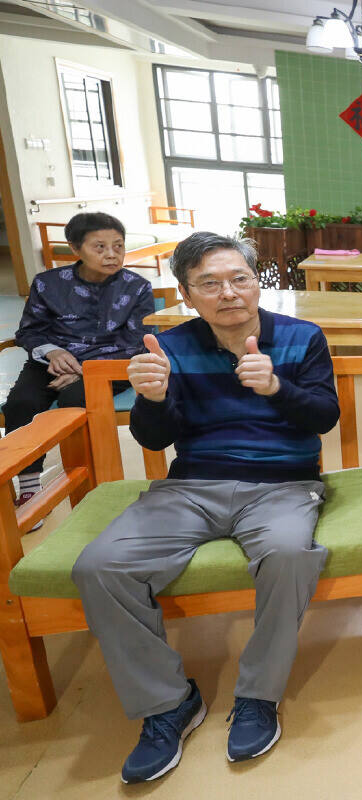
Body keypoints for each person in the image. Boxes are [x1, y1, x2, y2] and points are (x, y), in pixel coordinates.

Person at [71, 232, 339, 783]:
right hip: (192, 486)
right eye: (210, 284)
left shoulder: (302, 338)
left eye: (240, 278)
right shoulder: (169, 346)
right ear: (188, 295)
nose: (229, 293)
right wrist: (148, 399)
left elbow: (322, 417)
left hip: (284, 485)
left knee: (289, 553)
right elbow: (154, 438)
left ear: (256, 280)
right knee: (99, 566)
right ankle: (168, 702)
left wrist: (276, 389)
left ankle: (258, 696)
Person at [4, 212, 153, 508]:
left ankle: (89, 486)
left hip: (109, 366)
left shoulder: (136, 287)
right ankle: (31, 485)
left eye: (118, 246)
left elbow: (137, 342)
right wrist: (52, 352)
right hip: (51, 363)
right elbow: (29, 331)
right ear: (75, 249)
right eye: (100, 247)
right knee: (21, 403)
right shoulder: (48, 284)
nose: (112, 254)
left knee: (77, 398)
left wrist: (86, 370)